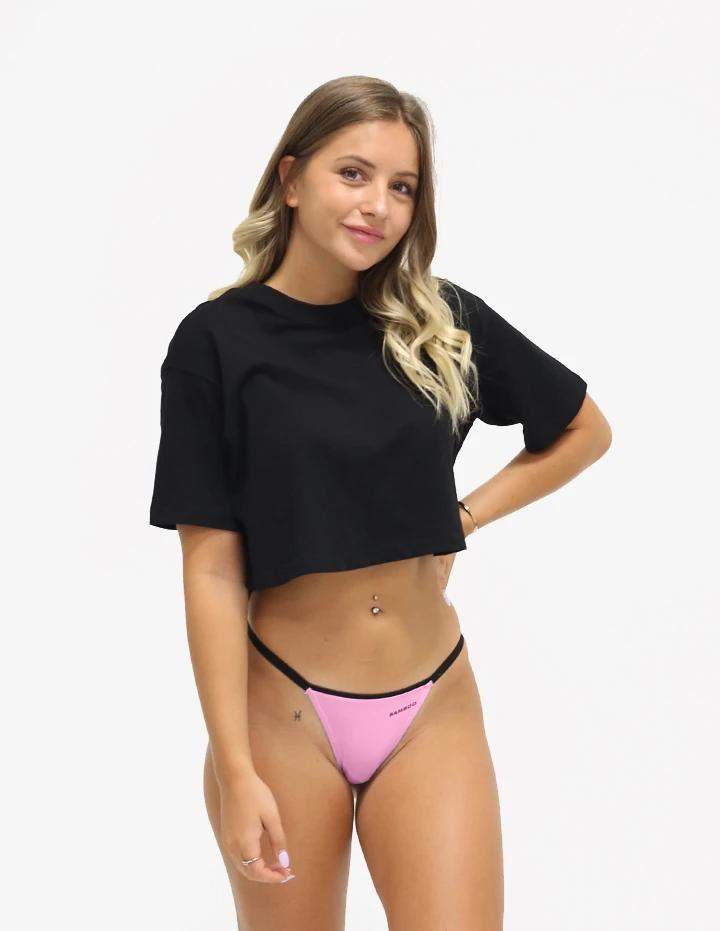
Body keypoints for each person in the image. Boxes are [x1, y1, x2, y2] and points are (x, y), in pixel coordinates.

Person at [149, 75, 611, 931]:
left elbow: (583, 429)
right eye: (353, 174)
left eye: (403, 187)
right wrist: (237, 769)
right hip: (283, 711)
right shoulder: (217, 342)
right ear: (291, 179)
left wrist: (462, 518)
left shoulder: (440, 321)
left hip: (433, 702)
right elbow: (210, 568)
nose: (379, 206)